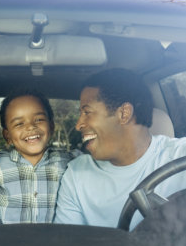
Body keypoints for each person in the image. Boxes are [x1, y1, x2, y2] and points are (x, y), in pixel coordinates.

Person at [54, 68, 186, 231]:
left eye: (87, 112)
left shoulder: (180, 155)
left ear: (124, 113)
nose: (78, 124)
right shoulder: (76, 174)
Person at [0, 88, 77, 224]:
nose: (31, 127)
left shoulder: (69, 162)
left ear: (51, 127)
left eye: (39, 119)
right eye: (19, 123)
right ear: (7, 136)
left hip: (54, 243)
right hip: (3, 243)